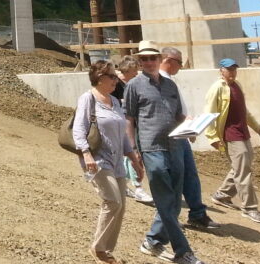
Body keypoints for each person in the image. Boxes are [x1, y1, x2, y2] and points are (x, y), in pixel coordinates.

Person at [124, 40, 207, 264]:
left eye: (152, 58)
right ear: (139, 62)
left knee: (172, 198)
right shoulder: (134, 85)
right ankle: (183, 251)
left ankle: (152, 240)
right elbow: (129, 120)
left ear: (160, 60)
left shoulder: (171, 86)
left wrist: (191, 125)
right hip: (151, 148)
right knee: (164, 198)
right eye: (144, 59)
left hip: (176, 146)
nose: (149, 62)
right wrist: (132, 150)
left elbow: (178, 115)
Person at [73, 60, 144, 264]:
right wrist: (86, 155)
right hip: (97, 159)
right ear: (99, 78)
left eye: (115, 76)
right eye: (112, 76)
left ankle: (106, 249)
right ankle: (98, 248)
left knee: (120, 206)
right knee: (112, 201)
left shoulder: (114, 101)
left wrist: (135, 160)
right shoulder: (88, 98)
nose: (115, 79)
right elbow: (79, 129)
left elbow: (122, 136)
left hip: (117, 162)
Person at [159, 47, 219, 231]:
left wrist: (189, 127)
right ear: (169, 60)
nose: (180, 66)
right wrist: (185, 125)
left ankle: (197, 214)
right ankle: (171, 218)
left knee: (190, 175)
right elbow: (166, 111)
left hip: (182, 133)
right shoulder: (160, 81)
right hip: (173, 136)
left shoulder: (169, 81)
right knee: (176, 178)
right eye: (179, 62)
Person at [203, 58, 260, 224]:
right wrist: (212, 137)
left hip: (243, 132)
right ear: (221, 71)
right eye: (228, 69)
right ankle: (250, 208)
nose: (232, 72)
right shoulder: (217, 88)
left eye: (234, 69)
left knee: (241, 167)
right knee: (243, 172)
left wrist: (257, 127)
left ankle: (222, 195)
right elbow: (209, 113)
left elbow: (244, 112)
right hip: (231, 134)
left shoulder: (236, 86)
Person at [115, 57, 154, 205]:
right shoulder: (117, 84)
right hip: (123, 124)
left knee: (127, 155)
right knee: (132, 153)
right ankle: (138, 188)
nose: (137, 73)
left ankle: (124, 184)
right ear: (127, 71)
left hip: (133, 124)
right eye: (134, 70)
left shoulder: (131, 84)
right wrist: (123, 102)